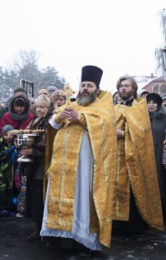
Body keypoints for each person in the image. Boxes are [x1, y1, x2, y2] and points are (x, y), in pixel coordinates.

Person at [40, 65, 116, 251]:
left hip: (84, 166)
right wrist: (59, 118)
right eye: (83, 85)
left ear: (97, 89)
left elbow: (106, 128)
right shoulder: (71, 104)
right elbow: (53, 124)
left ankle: (81, 240)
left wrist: (81, 118)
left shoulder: (103, 108)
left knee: (82, 199)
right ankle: (59, 237)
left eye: (89, 85)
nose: (85, 89)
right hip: (62, 165)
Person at [112, 76, 163, 233]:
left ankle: (133, 226)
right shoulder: (113, 109)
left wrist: (123, 133)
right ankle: (116, 224)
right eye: (121, 86)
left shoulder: (140, 108)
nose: (123, 89)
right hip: (116, 156)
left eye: (127, 86)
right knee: (116, 189)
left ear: (134, 89)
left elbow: (142, 133)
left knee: (134, 190)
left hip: (134, 156)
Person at [21, 95, 53, 241]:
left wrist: (32, 151)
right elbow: (26, 136)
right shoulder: (34, 120)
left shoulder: (49, 122)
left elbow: (49, 145)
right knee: (34, 196)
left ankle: (43, 228)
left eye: (43, 107)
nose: (40, 110)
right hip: (33, 165)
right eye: (38, 107)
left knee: (41, 197)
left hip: (43, 165)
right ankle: (37, 226)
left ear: (48, 108)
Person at [146, 93, 166, 224]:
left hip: (161, 153)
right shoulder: (143, 118)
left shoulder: (165, 117)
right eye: (149, 102)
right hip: (147, 154)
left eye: (154, 103)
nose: (151, 105)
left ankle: (162, 210)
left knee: (161, 181)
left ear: (159, 105)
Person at [0, 125, 18, 217]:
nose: (9, 137)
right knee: (1, 190)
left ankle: (9, 208)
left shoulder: (14, 143)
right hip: (1, 172)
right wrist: (10, 150)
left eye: (11, 135)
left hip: (10, 172)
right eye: (6, 135)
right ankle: (1, 209)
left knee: (9, 190)